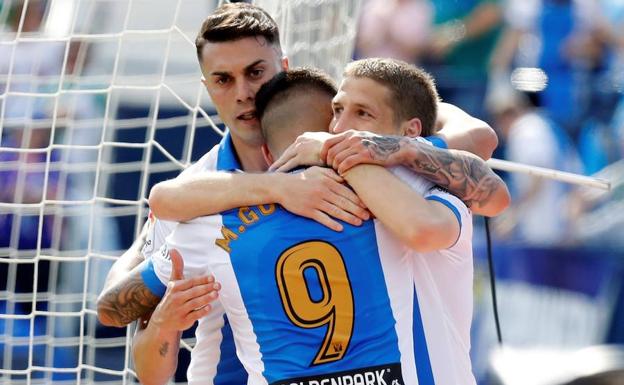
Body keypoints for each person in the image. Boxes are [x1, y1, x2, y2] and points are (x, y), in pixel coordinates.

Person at [96, 3, 507, 384]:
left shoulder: (363, 155)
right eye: (224, 79)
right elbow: (115, 301)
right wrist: (279, 187)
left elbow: (477, 140)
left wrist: (377, 147)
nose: (243, 92)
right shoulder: (200, 194)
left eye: (256, 73)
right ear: (207, 87)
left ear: (284, 66)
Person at [139, 65, 470, 385]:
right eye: (338, 114)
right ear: (330, 136)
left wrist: (162, 321)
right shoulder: (405, 193)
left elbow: (116, 309)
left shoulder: (210, 218)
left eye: (358, 113)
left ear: (267, 153)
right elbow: (487, 167)